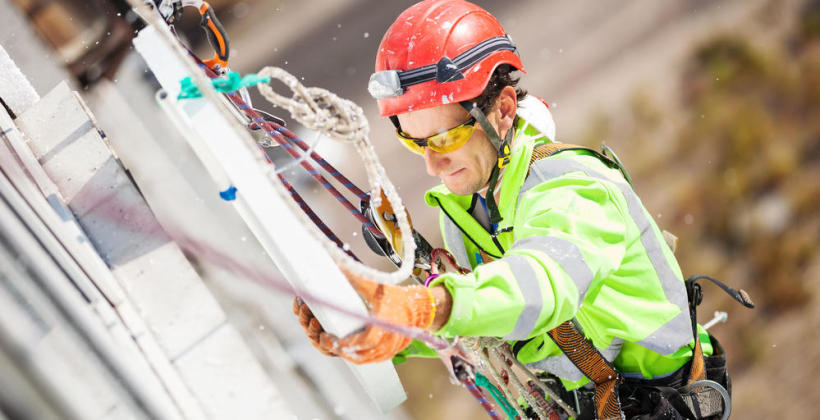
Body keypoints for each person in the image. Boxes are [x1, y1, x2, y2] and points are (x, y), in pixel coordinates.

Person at [294, 1, 733, 418]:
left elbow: (540, 287)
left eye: (445, 139)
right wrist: (376, 324)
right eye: (415, 142)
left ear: (502, 109)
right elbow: (488, 321)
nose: (431, 164)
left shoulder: (574, 188)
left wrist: (427, 307)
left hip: (657, 404)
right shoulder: (468, 205)